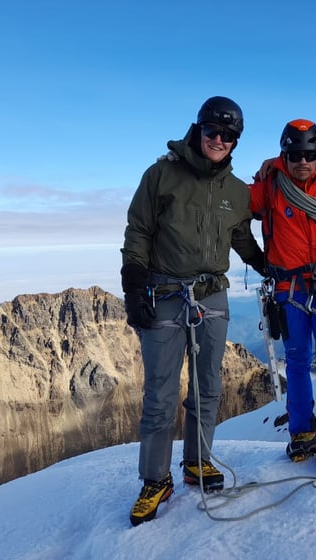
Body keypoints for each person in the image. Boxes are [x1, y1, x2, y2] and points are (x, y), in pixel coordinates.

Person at [121, 96, 266, 526]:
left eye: (228, 135)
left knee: (208, 387)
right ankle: (155, 479)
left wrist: (266, 264)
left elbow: (241, 238)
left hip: (212, 295)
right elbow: (138, 231)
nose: (219, 140)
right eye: (212, 132)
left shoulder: (236, 192)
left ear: (236, 141)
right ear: (198, 130)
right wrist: (133, 287)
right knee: (160, 393)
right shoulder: (161, 175)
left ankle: (196, 462)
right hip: (164, 293)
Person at [249, 119, 316, 473]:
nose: (303, 162)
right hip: (289, 288)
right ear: (284, 156)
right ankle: (302, 432)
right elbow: (229, 201)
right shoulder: (269, 187)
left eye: (309, 155)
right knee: (296, 360)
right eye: (295, 155)